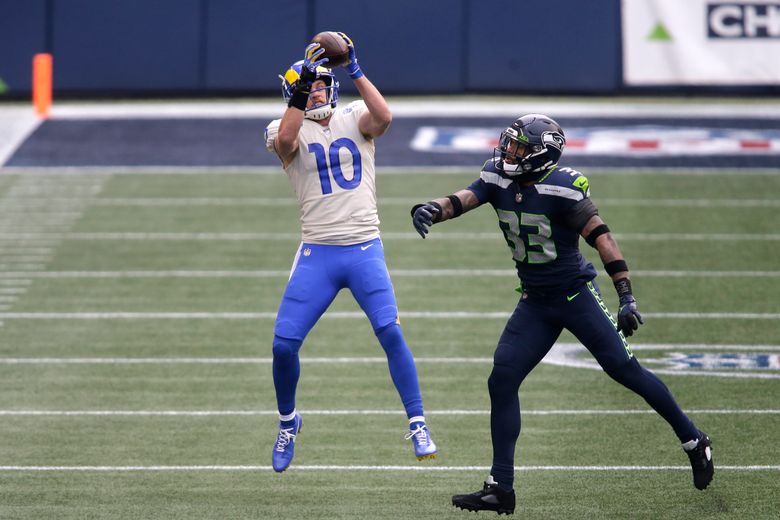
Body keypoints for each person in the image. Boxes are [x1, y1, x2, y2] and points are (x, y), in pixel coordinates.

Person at [411, 114, 714, 515]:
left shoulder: (563, 187)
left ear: (541, 153)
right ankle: (501, 487)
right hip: (535, 301)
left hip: (575, 296)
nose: (508, 152)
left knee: (625, 370)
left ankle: (694, 440)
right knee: (502, 378)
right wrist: (432, 208)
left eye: (519, 147)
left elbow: (601, 237)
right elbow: (465, 198)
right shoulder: (497, 176)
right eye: (509, 144)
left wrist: (626, 294)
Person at [264, 32, 437, 473]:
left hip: (363, 249)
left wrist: (355, 68)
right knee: (284, 346)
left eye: (323, 84)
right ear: (295, 91)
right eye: (310, 85)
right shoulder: (284, 126)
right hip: (317, 253)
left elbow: (384, 117)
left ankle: (418, 423)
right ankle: (288, 422)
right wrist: (300, 95)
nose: (319, 89)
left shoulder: (354, 114)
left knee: (391, 332)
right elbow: (286, 142)